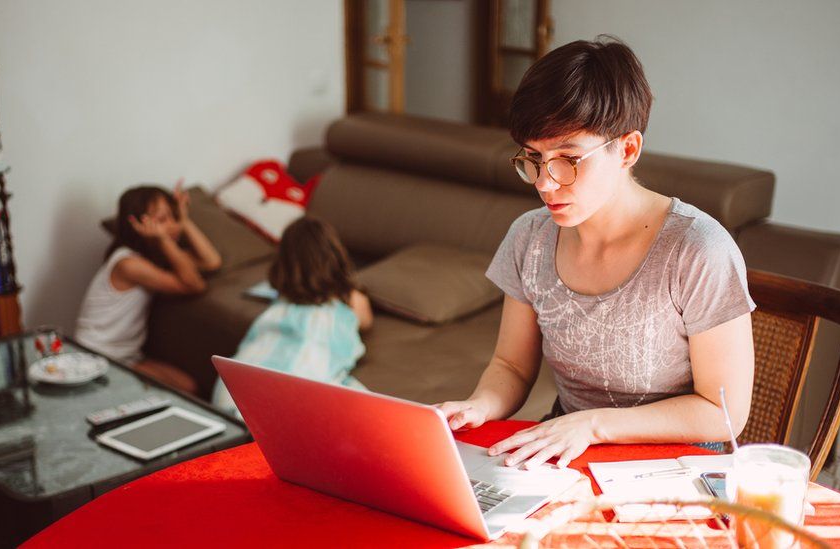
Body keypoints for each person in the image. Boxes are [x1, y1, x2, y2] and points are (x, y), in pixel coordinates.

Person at [437, 36, 756, 469]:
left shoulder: (697, 249)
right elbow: (510, 365)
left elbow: (724, 414)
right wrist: (479, 405)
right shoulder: (530, 238)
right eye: (534, 158)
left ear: (626, 149)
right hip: (569, 451)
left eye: (568, 158)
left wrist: (592, 425)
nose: (544, 183)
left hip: (677, 466)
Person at [212, 216, 373, 418]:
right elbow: (366, 322)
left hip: (232, 392)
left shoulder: (284, 295)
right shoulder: (350, 299)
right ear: (334, 255)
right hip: (295, 391)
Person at [75, 181, 222, 392]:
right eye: (163, 219)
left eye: (174, 217)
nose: (172, 225)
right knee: (185, 388)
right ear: (138, 224)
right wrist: (163, 238)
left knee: (188, 386)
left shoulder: (157, 257)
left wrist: (185, 221)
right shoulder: (128, 264)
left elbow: (211, 262)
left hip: (128, 356)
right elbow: (194, 285)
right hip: (98, 354)